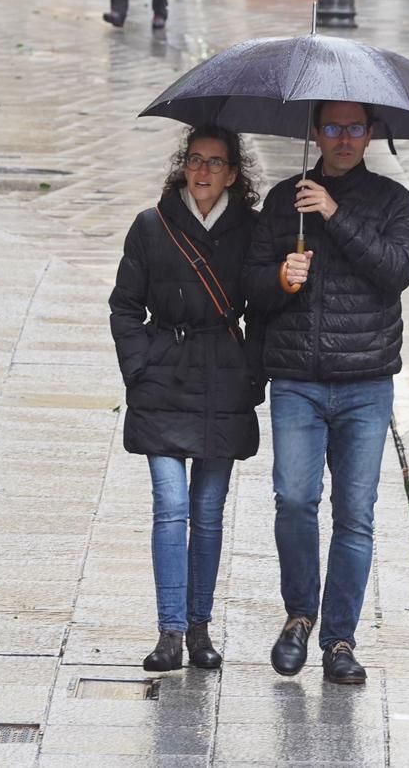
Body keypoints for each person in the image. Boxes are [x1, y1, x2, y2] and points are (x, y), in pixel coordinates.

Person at [243, 101, 409, 686]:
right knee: (294, 499)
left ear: (369, 134)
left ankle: (339, 638)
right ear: (315, 133)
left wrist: (336, 213)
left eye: (354, 128)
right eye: (332, 127)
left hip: (366, 382)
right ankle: (299, 614)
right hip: (297, 379)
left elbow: (397, 270)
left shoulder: (393, 202)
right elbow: (253, 288)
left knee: (355, 514)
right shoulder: (282, 201)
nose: (343, 138)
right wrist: (279, 280)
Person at [110, 127, 263, 674]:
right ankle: (170, 630)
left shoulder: (251, 229)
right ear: (183, 166)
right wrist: (138, 369)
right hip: (163, 378)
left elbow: (264, 307)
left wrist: (255, 374)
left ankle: (200, 628)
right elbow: (124, 306)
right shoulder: (152, 227)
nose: (202, 171)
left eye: (215, 162)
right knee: (171, 505)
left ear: (233, 174)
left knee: (207, 511)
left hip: (223, 375)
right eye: (194, 159)